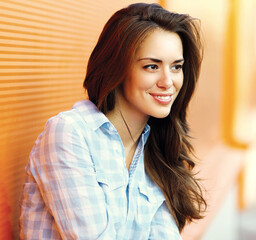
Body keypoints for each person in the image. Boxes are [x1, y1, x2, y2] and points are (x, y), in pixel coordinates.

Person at [19, 3, 206, 239]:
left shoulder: (155, 150)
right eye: (151, 66)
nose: (168, 81)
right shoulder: (70, 134)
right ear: (117, 67)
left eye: (176, 67)